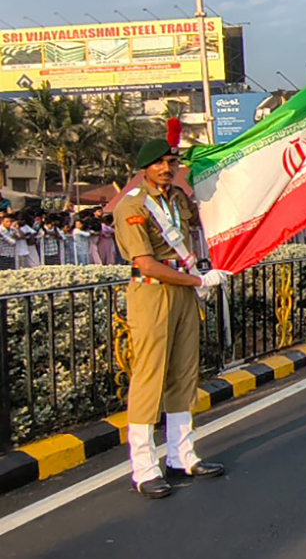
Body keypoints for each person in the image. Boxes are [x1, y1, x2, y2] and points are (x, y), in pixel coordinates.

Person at [113, 129, 228, 499]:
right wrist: (197, 282)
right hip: (153, 292)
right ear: (144, 167)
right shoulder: (131, 206)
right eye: (159, 162)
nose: (166, 167)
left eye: (171, 162)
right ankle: (144, 468)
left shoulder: (177, 197)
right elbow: (146, 263)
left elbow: (201, 220)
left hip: (181, 289)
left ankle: (182, 456)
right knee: (150, 377)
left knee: (183, 374)